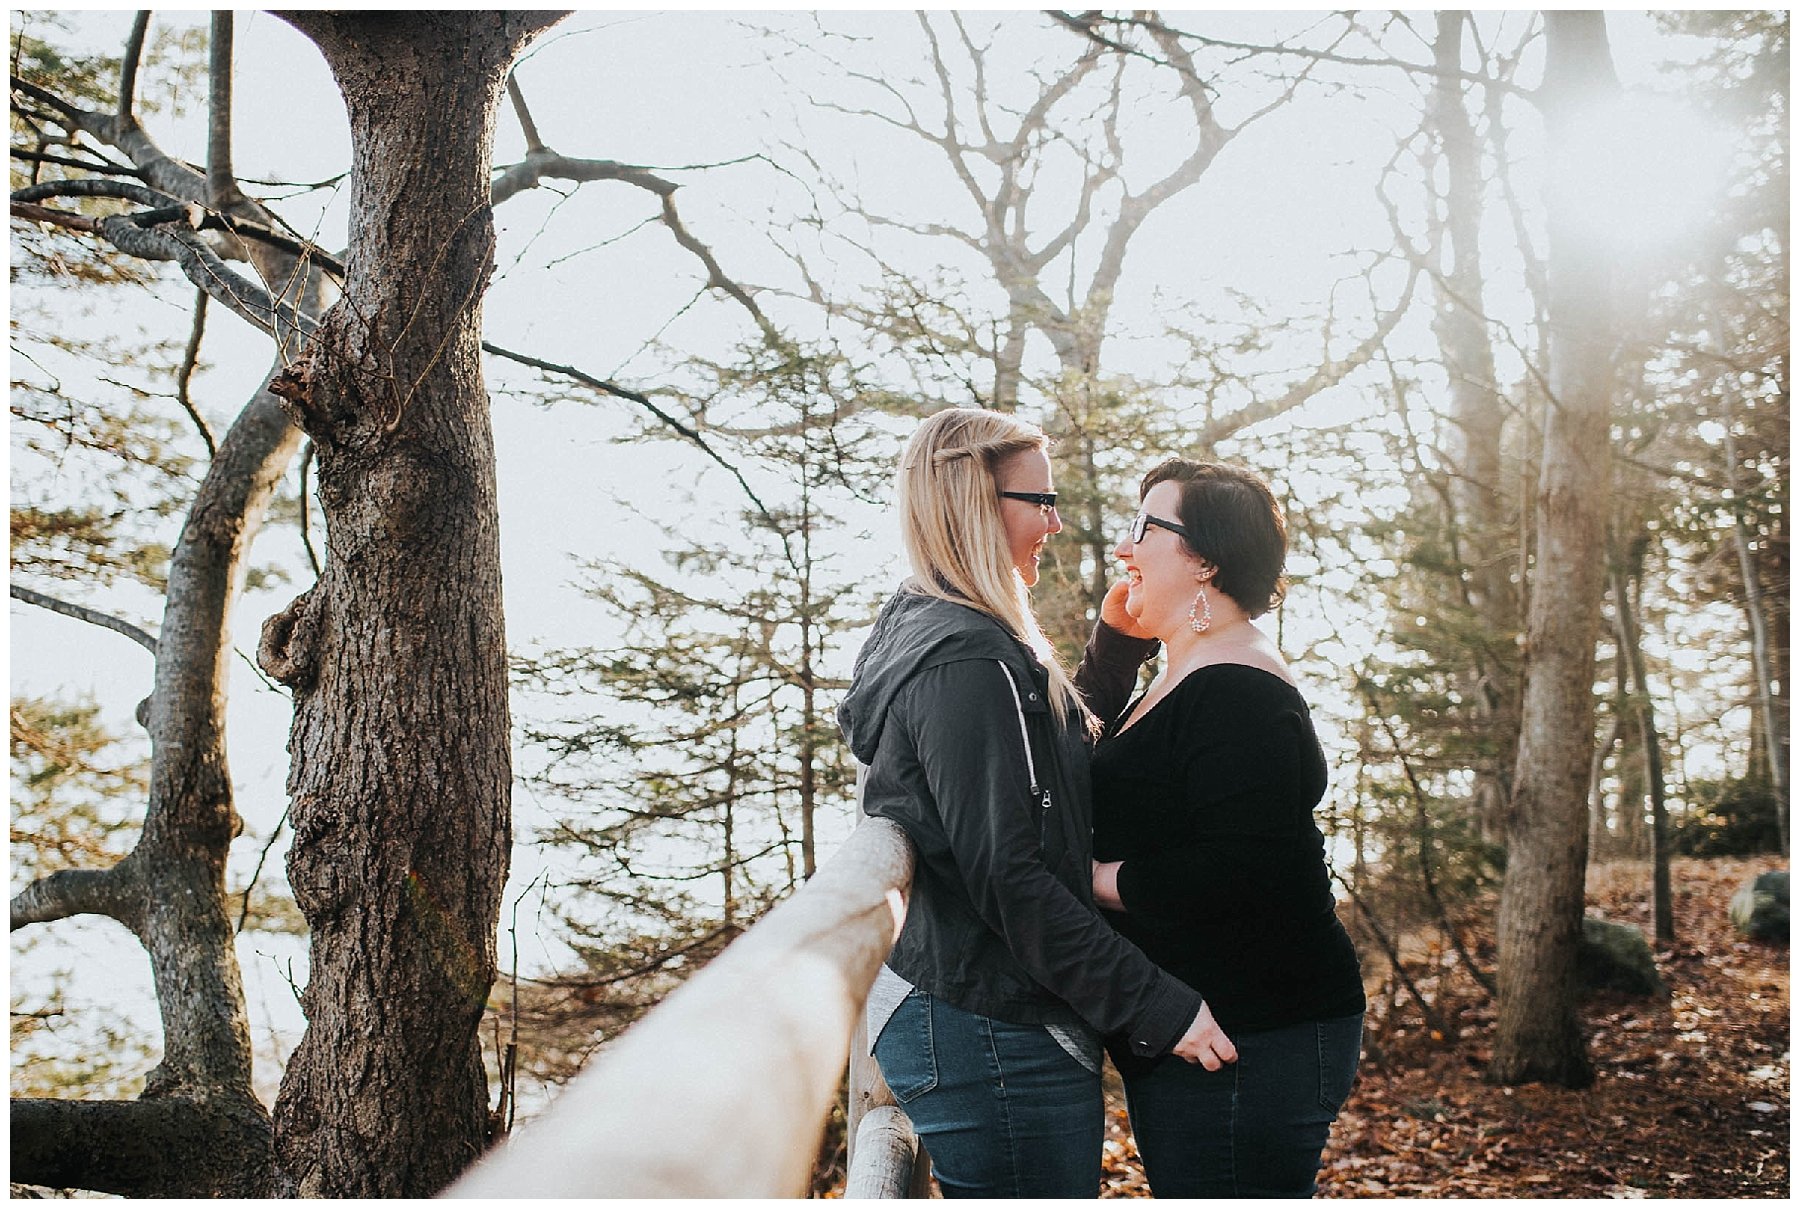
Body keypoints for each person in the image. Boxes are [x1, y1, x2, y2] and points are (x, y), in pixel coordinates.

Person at [838, 409, 1236, 1199]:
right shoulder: (963, 658)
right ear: (975, 506)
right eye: (1040, 501)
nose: (1055, 522)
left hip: (986, 1009)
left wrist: (1113, 651)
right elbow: (1007, 872)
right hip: (988, 1020)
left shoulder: (947, 628)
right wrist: (1159, 1005)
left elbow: (1033, 777)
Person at [1089, 456, 1365, 1198]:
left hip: (1256, 1034)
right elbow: (1076, 764)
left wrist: (1085, 881)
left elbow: (1242, 868)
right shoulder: (1185, 668)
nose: (1126, 548)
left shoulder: (1239, 686)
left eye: (1147, 527)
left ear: (1205, 558)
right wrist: (1117, 647)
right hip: (1215, 1032)